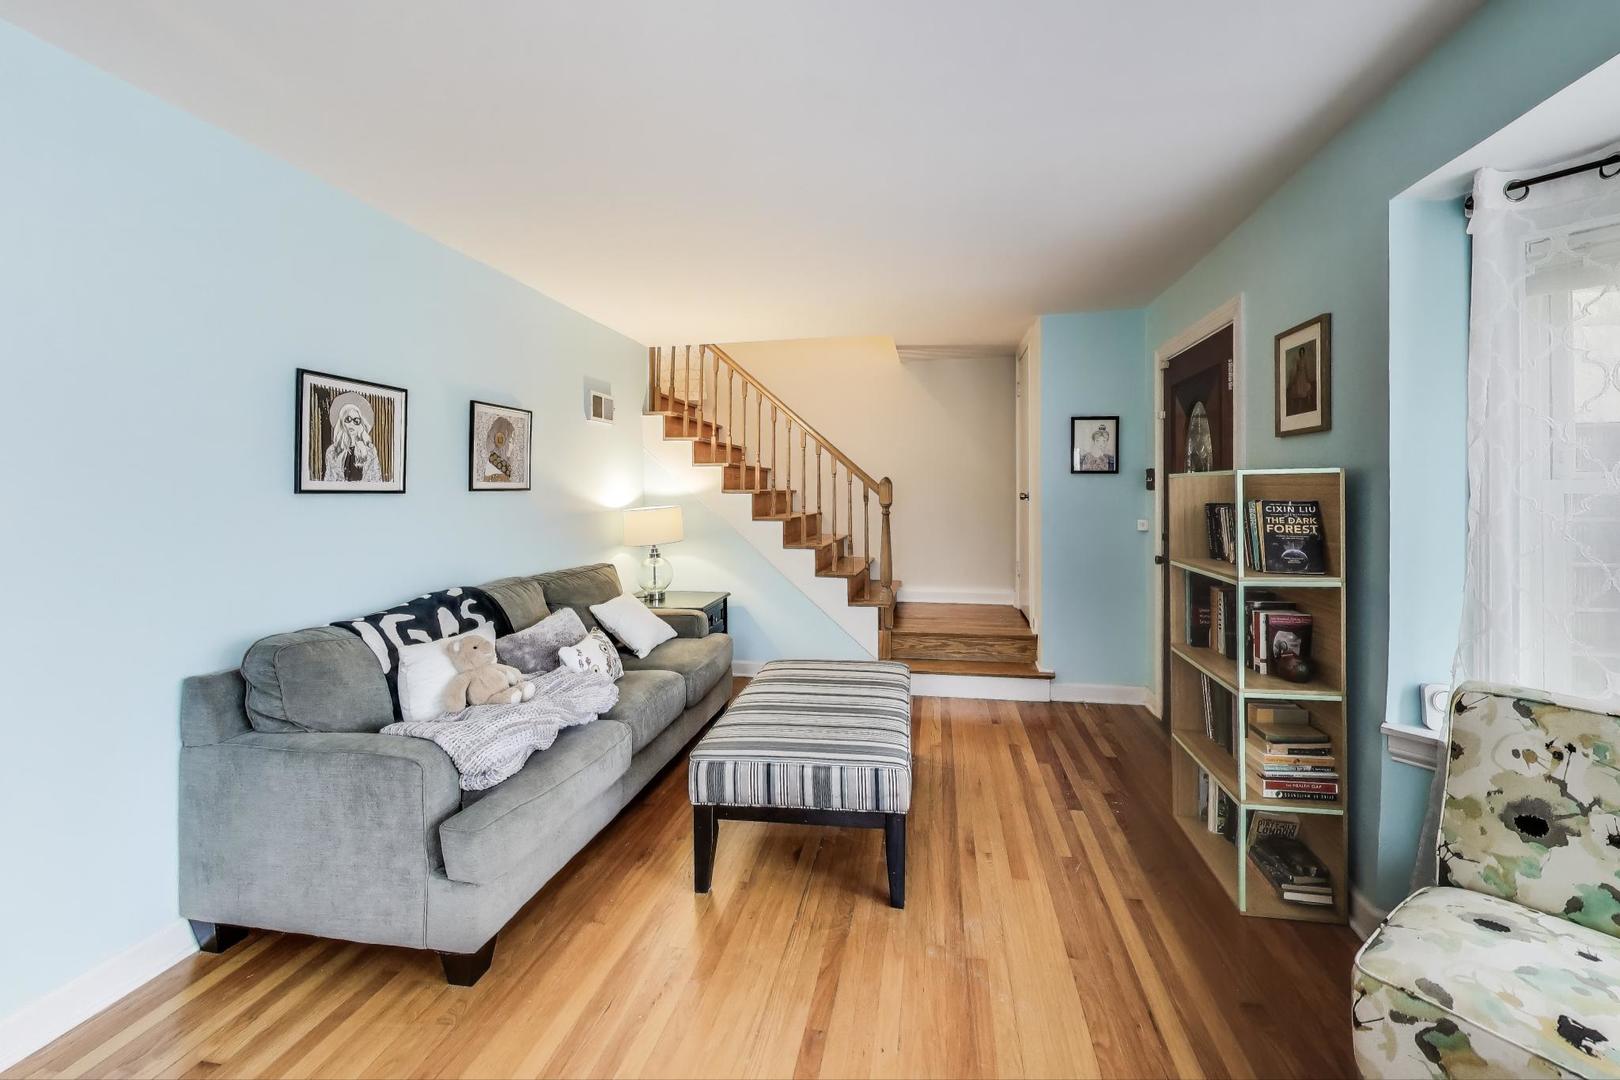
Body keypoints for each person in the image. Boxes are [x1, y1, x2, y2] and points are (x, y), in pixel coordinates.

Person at [323, 392, 382, 483]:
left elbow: (377, 480)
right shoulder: (332, 451)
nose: (351, 424)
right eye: (348, 419)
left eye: (356, 420)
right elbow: (328, 481)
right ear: (342, 423)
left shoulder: (370, 451)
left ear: (361, 425)